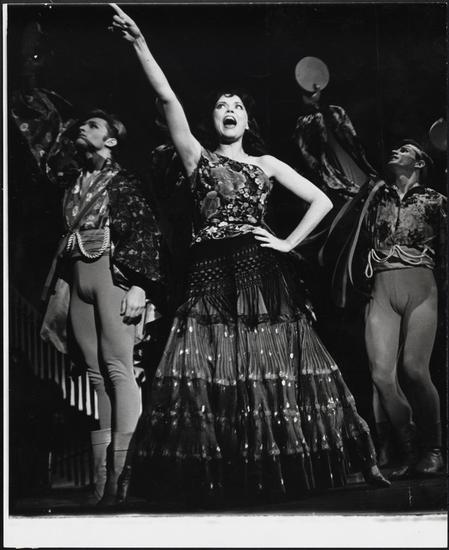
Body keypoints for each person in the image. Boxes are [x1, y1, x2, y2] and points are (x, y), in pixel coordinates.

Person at [109, 3, 389, 503]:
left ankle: (280, 471)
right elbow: (167, 97)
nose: (229, 109)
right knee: (209, 368)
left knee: (268, 366)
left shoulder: (266, 163)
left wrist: (287, 242)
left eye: (237, 105)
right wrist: (139, 43)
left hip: (260, 270)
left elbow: (323, 201)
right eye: (222, 105)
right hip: (209, 272)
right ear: (213, 118)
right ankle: (224, 478)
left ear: (246, 117)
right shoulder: (196, 158)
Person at [40, 108, 162, 504]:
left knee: (118, 370)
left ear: (111, 140)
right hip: (78, 281)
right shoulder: (73, 182)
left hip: (112, 277)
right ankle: (102, 481)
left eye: (93, 126)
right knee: (97, 377)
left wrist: (140, 286)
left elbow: (145, 231)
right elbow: (49, 155)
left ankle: (125, 479)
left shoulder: (123, 181)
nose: (83, 128)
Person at [322, 140, 446, 478]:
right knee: (381, 375)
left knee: (415, 370)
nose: (396, 152)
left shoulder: (435, 201)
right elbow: (339, 172)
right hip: (381, 288)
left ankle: (434, 449)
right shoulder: (376, 197)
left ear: (419, 163)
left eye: (405, 150)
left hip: (421, 288)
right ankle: (409, 447)